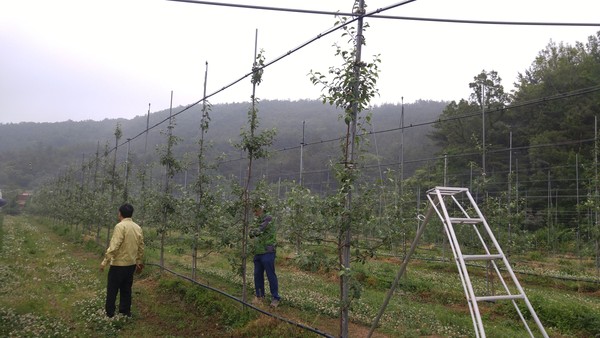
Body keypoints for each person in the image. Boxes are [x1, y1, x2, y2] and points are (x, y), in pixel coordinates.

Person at [100, 203, 144, 318]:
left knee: (112, 289)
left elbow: (114, 246)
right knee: (126, 289)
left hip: (118, 264)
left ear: (120, 213)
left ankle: (110, 313)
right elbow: (141, 247)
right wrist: (138, 262)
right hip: (131, 265)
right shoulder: (137, 227)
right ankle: (125, 312)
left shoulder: (120, 226)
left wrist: (105, 261)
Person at [249, 203, 281, 307]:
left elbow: (259, 230)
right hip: (258, 252)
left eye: (256, 211)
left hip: (267, 251)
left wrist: (251, 231)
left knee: (270, 275)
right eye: (253, 211)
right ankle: (260, 296)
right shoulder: (257, 220)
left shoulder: (268, 218)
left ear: (261, 209)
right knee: (257, 274)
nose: (255, 213)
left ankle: (275, 298)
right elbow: (252, 232)